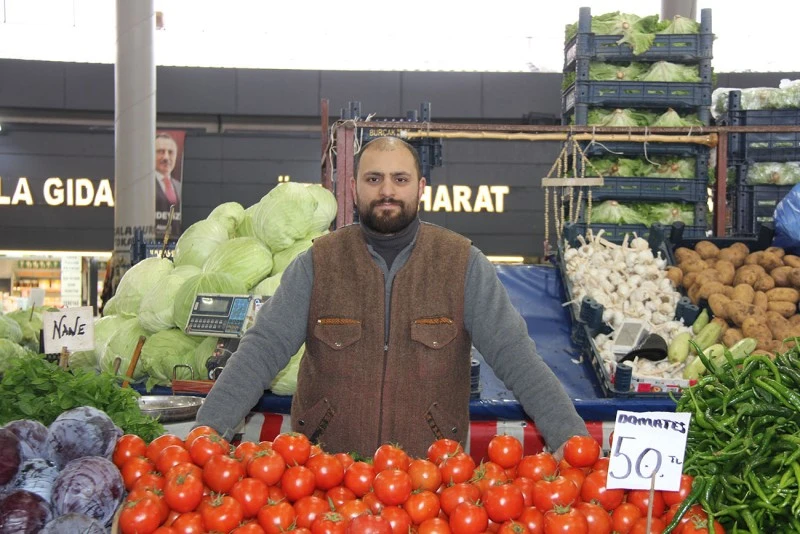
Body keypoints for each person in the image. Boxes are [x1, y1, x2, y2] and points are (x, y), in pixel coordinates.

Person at [195, 136, 588, 458]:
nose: (387, 190)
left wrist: (574, 445)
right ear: (353, 188)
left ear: (421, 187)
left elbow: (517, 357)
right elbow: (261, 351)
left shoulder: (461, 263)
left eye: (400, 179)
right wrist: (205, 434)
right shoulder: (317, 263)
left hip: (430, 481)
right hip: (326, 477)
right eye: (373, 179)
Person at [155, 133, 182, 238]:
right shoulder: (144, 188)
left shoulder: (179, 187)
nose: (166, 157)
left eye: (170, 152)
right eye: (160, 152)